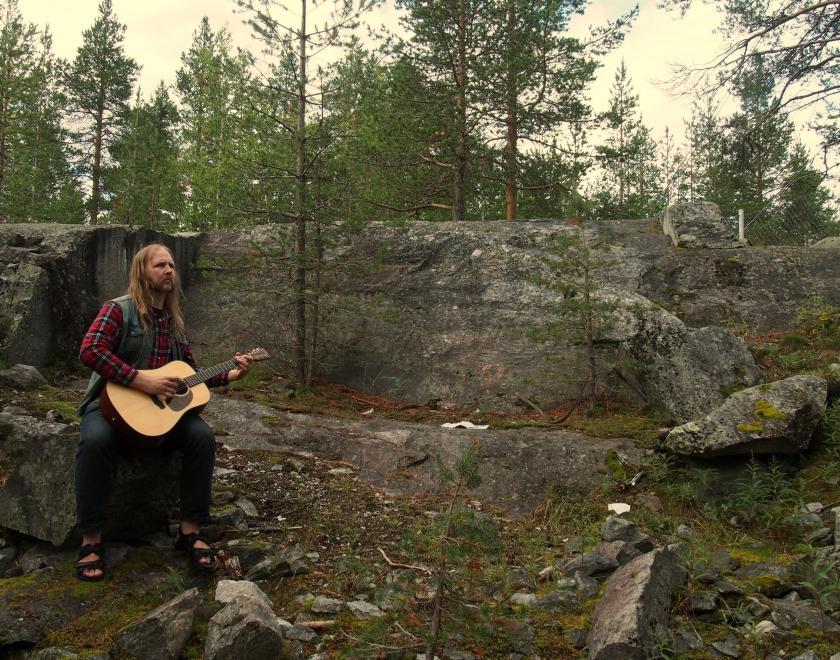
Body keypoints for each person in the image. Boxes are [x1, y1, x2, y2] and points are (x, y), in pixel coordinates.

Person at [74, 243, 252, 581]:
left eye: (171, 265)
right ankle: (90, 540)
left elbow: (192, 375)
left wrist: (232, 373)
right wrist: (140, 380)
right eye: (160, 265)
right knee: (94, 442)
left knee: (202, 436)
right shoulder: (118, 310)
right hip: (111, 408)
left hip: (157, 417)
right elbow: (91, 350)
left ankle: (189, 531)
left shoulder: (175, 324)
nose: (169, 270)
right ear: (143, 271)